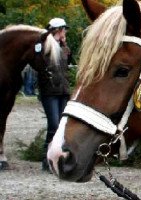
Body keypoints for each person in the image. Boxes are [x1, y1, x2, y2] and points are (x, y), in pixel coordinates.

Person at [38, 18, 71, 170]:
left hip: (63, 91)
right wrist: (53, 40)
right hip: (50, 92)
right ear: (58, 29)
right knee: (53, 125)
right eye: (64, 29)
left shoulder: (61, 46)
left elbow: (67, 60)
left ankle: (56, 157)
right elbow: (43, 61)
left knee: (60, 127)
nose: (65, 32)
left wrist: (63, 43)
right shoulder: (44, 44)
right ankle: (47, 159)